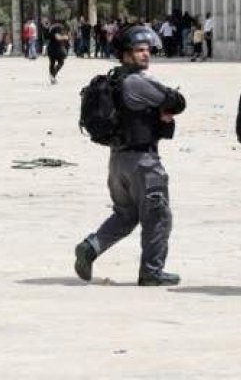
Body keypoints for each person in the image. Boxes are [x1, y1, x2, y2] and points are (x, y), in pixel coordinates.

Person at [73, 26, 186, 286]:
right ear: (125, 55)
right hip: (143, 164)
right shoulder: (137, 81)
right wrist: (164, 108)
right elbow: (177, 102)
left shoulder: (116, 79)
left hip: (118, 161)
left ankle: (90, 247)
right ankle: (152, 272)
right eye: (139, 50)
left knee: (126, 215)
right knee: (158, 216)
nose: (146, 54)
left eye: (147, 50)